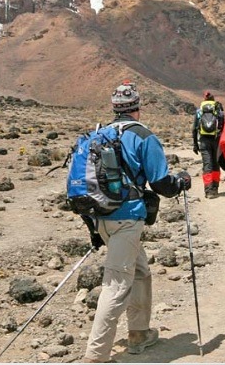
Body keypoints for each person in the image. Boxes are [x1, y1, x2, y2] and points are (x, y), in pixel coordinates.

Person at [82, 81, 192, 363]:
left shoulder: (99, 135)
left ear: (115, 108)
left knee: (140, 271)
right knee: (116, 285)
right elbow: (161, 184)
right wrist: (180, 182)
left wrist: (93, 227)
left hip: (101, 218)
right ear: (137, 110)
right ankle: (96, 356)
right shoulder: (143, 137)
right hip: (126, 219)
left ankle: (138, 333)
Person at [192, 91, 225, 199]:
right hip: (217, 140)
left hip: (204, 140)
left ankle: (208, 191)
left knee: (207, 165)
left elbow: (194, 128)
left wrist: (195, 144)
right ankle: (215, 188)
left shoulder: (199, 111)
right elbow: (224, 127)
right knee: (216, 164)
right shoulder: (218, 110)